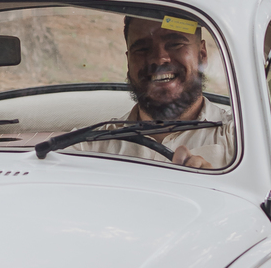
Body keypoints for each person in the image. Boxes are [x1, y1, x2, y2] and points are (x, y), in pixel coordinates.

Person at [91, 14, 235, 169]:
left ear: (202, 54)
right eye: (142, 49)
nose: (159, 59)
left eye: (175, 44)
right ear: (128, 61)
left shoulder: (240, 140)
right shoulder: (91, 147)